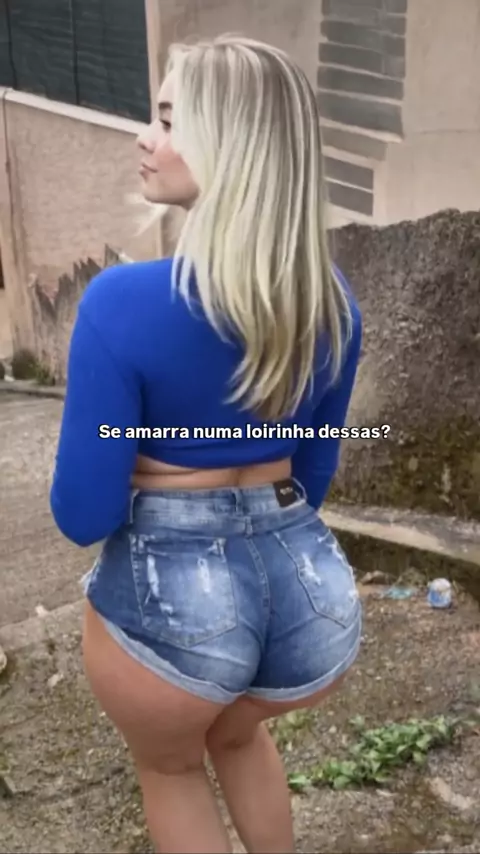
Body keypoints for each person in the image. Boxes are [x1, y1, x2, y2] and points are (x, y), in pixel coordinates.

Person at [50, 34, 363, 854]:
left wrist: (155, 457)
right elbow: (313, 477)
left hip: (176, 602)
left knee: (173, 766)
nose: (143, 137)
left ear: (232, 144)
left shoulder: (120, 303)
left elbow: (83, 514)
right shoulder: (334, 307)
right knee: (237, 734)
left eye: (167, 119)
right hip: (310, 599)